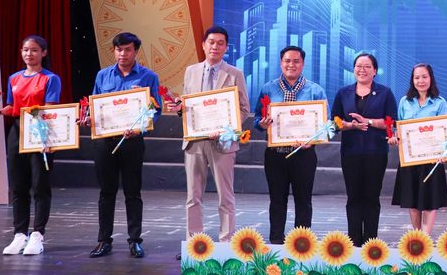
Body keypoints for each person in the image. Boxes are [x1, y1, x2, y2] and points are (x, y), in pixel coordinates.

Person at [168, 27, 250, 254]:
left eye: (220, 43)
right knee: (193, 197)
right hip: (194, 142)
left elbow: (244, 109)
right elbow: (189, 105)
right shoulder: (191, 71)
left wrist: (224, 129)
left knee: (226, 197)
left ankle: (227, 245)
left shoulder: (235, 74)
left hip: (222, 143)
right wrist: (179, 108)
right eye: (211, 42)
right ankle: (195, 245)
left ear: (226, 47)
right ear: (203, 45)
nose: (215, 46)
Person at [86, 32, 161, 258]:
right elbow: (94, 105)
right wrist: (89, 118)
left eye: (128, 49)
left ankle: (134, 241)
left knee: (132, 192)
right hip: (105, 142)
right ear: (114, 51)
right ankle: (104, 241)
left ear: (136, 51)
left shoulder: (148, 77)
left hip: (132, 142)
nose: (123, 54)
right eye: (119, 49)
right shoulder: (103, 75)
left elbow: (155, 110)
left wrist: (141, 128)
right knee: (106, 193)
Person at [0, 36, 61, 256]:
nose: (29, 54)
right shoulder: (14, 78)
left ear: (44, 53)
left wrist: (48, 140)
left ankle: (38, 234)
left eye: (34, 50)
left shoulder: (50, 79)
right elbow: (13, 107)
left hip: (40, 131)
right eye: (26, 50)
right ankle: (20, 234)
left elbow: (49, 110)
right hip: (17, 131)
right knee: (18, 186)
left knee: (40, 185)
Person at [253, 46, 326, 245]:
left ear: (303, 64)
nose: (291, 65)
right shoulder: (268, 88)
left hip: (304, 155)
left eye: (296, 61)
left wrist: (312, 140)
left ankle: (301, 243)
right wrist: (261, 124)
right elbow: (257, 118)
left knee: (304, 201)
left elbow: (325, 126)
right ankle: (276, 241)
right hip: (275, 154)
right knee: (277, 200)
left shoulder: (315, 91)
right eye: (287, 60)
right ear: (280, 63)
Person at [332, 53, 396, 247]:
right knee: (353, 197)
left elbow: (391, 122)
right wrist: (351, 125)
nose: (362, 69)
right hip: (350, 152)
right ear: (353, 69)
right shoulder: (343, 93)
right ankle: (353, 241)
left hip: (376, 152)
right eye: (358, 66)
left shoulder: (385, 93)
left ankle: (370, 242)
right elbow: (333, 123)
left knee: (371, 197)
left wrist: (368, 122)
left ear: (375, 71)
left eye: (367, 66)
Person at [389, 63, 447, 235]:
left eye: (424, 77)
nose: (420, 81)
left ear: (431, 79)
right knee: (412, 199)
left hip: (432, 159)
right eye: (417, 77)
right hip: (410, 158)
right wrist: (394, 138)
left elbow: (445, 131)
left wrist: (443, 153)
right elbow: (399, 128)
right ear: (412, 80)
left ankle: (425, 237)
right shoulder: (404, 102)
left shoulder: (440, 103)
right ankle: (417, 236)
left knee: (430, 199)